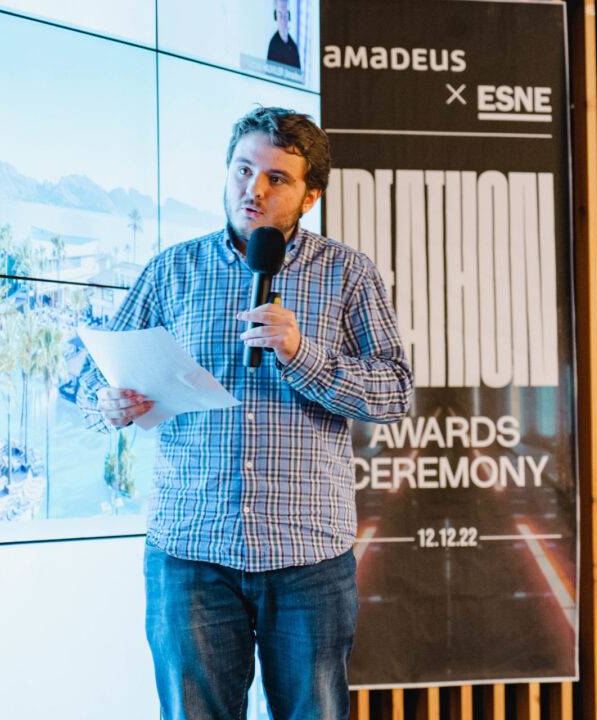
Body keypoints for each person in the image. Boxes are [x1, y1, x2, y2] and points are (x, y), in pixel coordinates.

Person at [77, 107, 413, 719]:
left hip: (308, 556)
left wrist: (300, 352)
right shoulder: (172, 271)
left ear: (310, 195)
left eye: (276, 179)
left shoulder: (348, 275)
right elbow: (91, 386)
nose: (252, 189)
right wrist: (110, 405)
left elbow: (394, 391)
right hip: (191, 553)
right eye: (242, 170)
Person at [266, 0, 301, 69]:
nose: (283, 19)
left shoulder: (293, 46)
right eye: (280, 14)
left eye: (285, 14)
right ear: (275, 16)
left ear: (289, 16)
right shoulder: (273, 45)